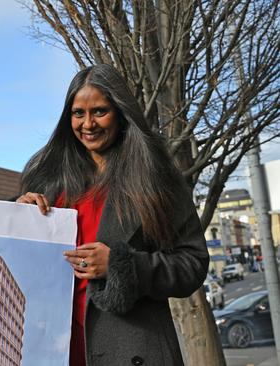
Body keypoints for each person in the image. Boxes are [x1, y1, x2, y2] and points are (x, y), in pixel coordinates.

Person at [16, 64, 209, 365]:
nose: (88, 124)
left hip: (132, 345)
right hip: (54, 346)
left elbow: (193, 263)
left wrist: (124, 266)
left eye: (100, 111)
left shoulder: (156, 178)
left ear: (121, 113)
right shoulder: (46, 179)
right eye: (78, 113)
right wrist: (21, 217)